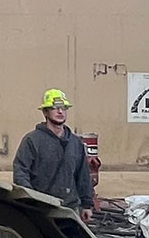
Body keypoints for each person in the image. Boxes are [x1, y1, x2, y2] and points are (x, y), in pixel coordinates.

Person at [12, 88, 95, 220]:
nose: (60, 112)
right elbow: (21, 171)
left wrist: (87, 205)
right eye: (55, 108)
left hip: (70, 210)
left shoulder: (75, 143)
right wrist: (30, 199)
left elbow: (83, 175)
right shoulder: (32, 140)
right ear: (45, 112)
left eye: (63, 108)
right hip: (40, 210)